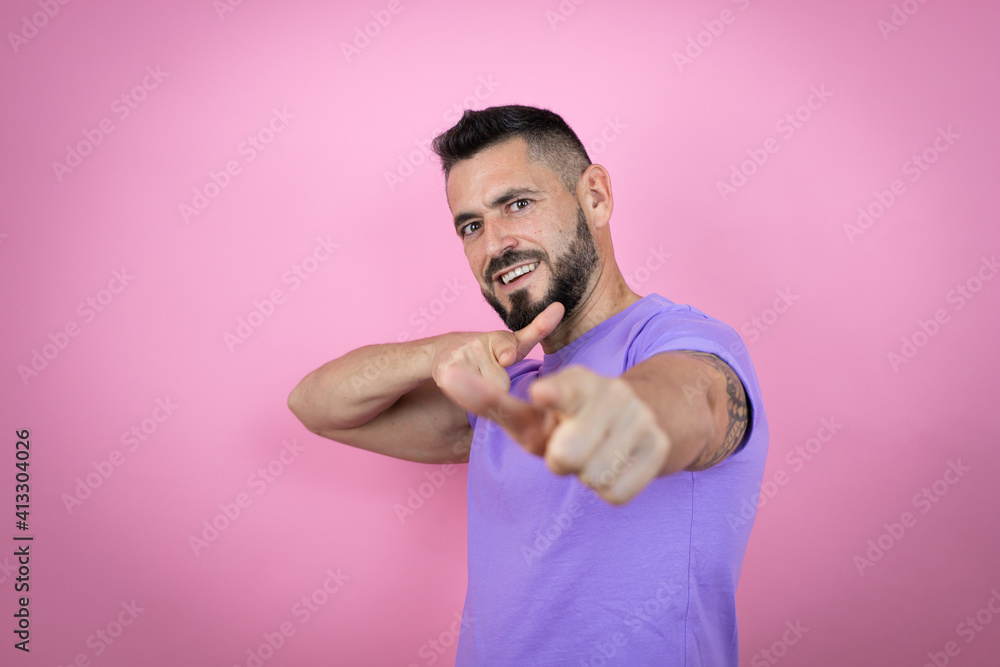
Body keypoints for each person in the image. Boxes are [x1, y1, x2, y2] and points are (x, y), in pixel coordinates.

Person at [288, 105, 769, 666]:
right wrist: (437, 352)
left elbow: (698, 399)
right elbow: (315, 404)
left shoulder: (679, 339)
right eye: (471, 226)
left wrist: (627, 417)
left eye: (517, 204)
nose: (494, 245)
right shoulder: (503, 395)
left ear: (595, 197)